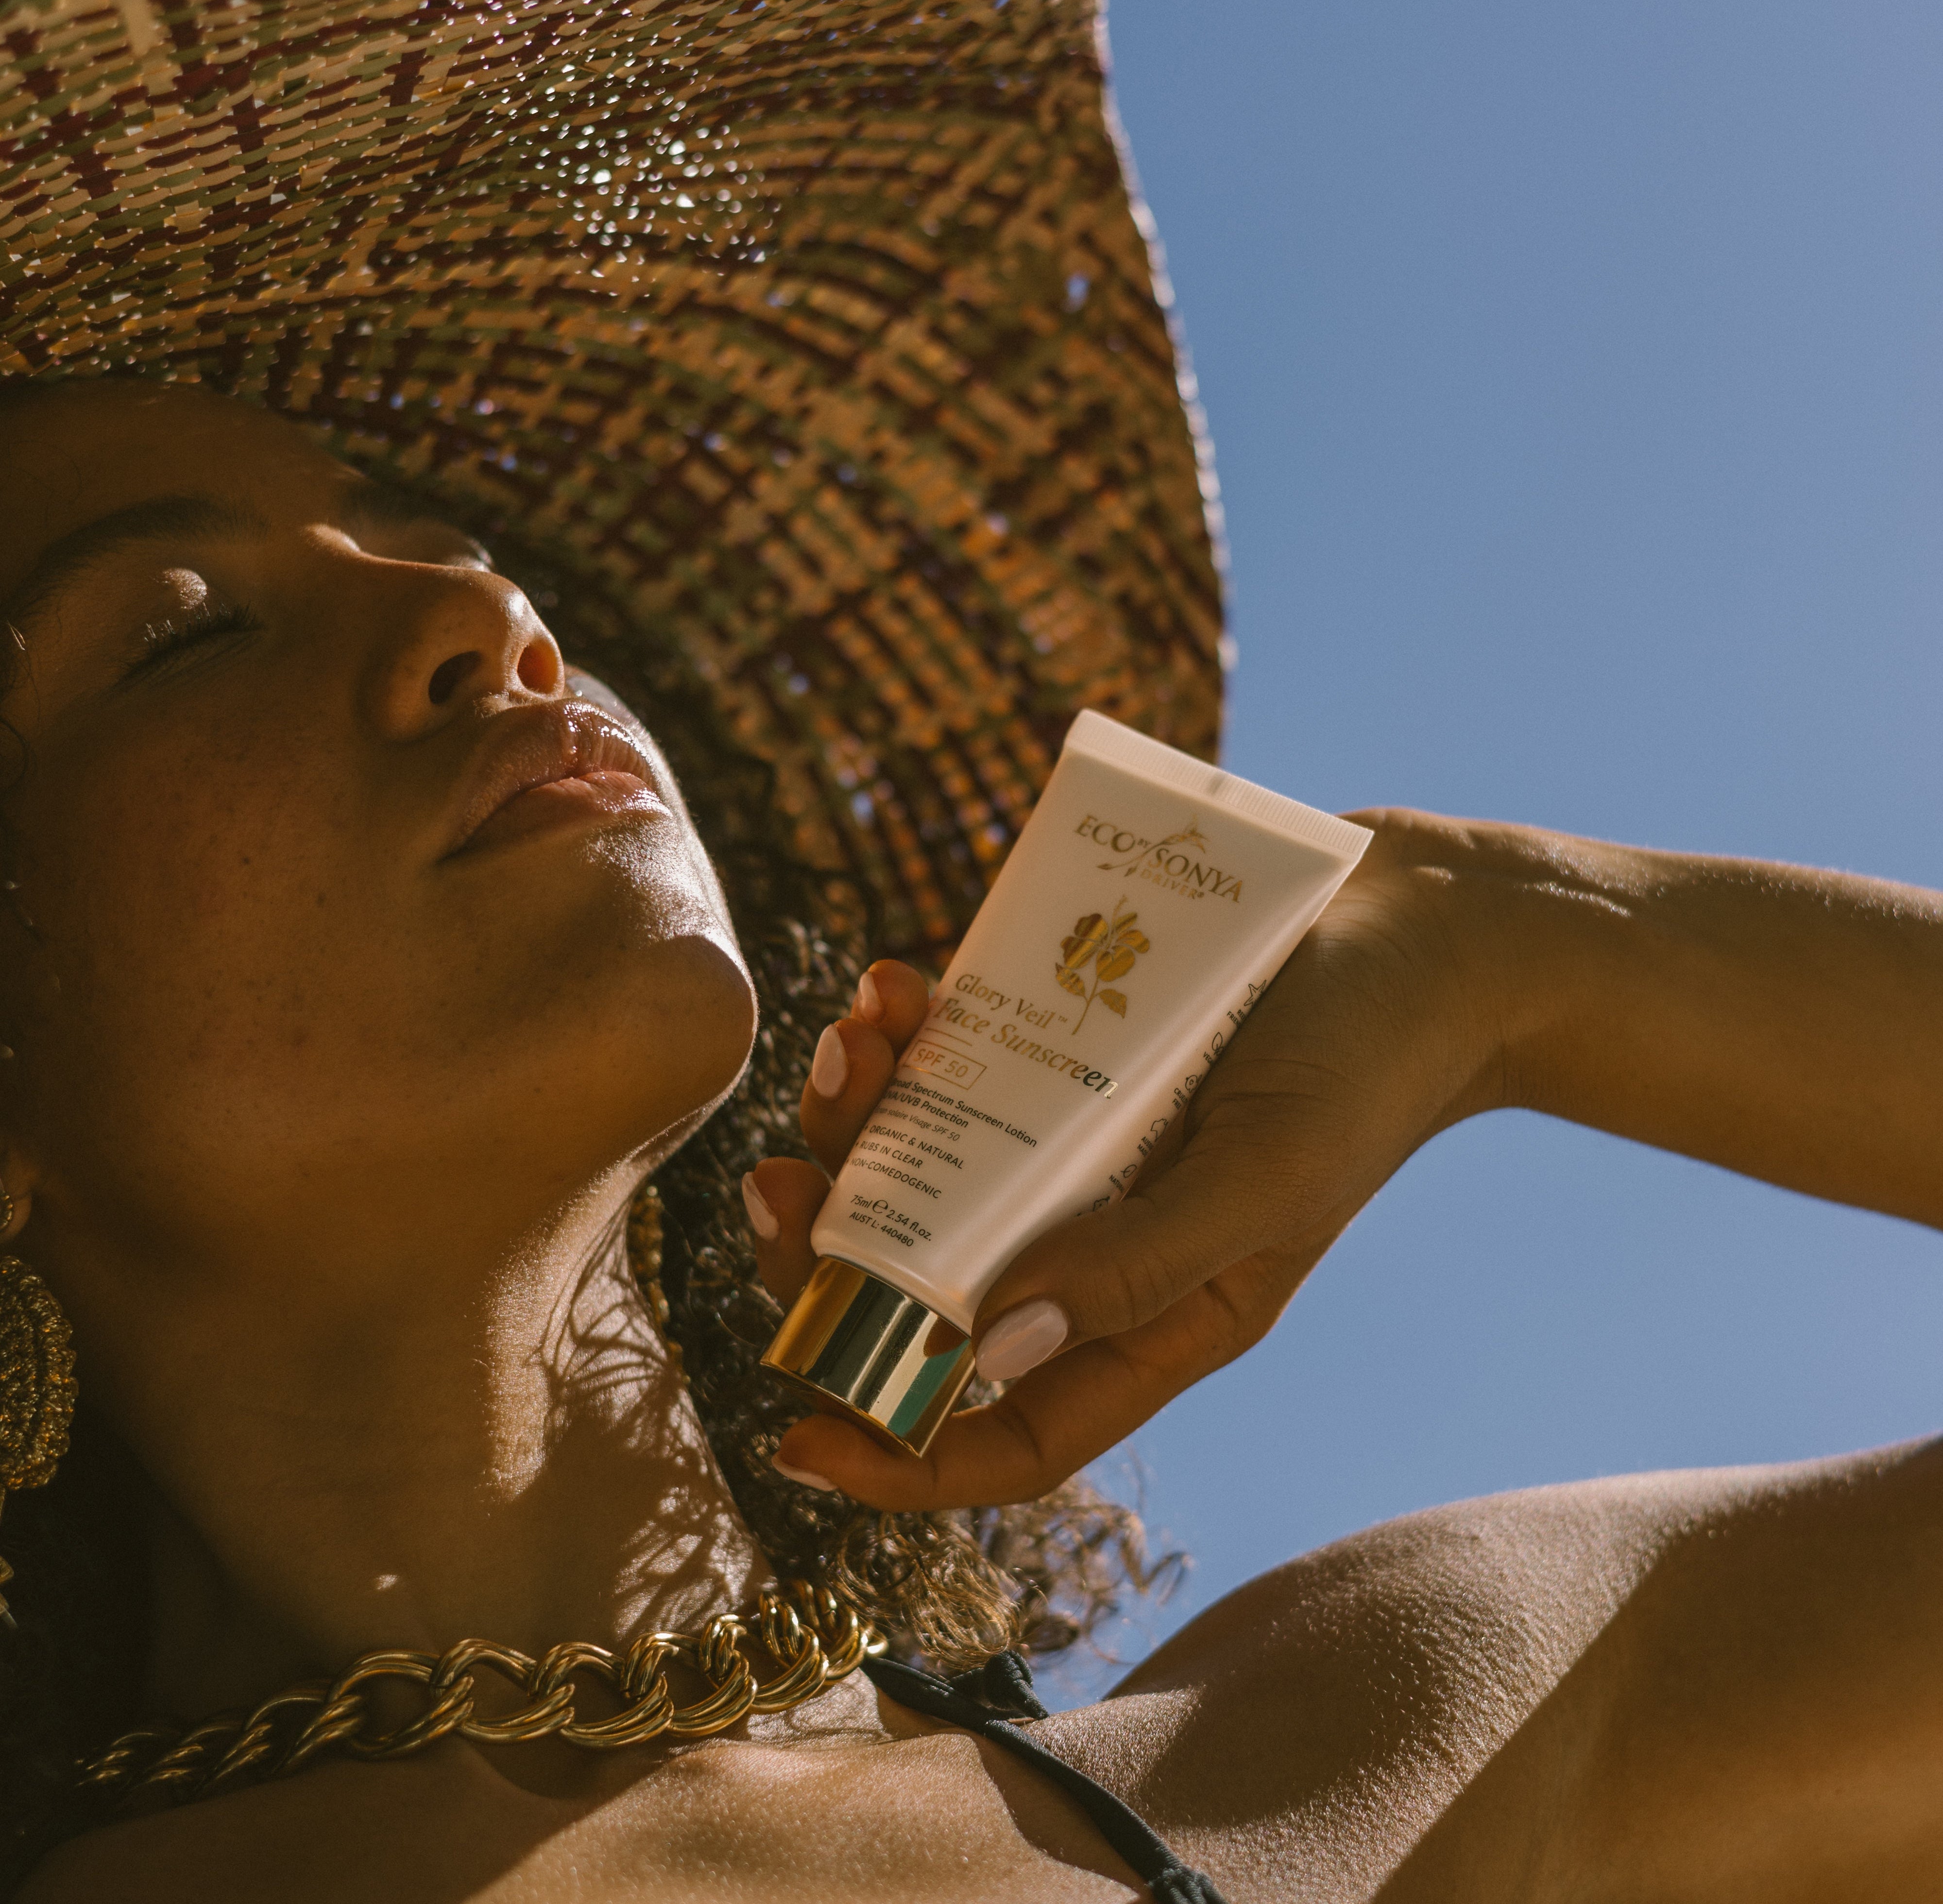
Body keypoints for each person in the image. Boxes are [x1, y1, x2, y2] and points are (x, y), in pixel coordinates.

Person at [1, 375, 1939, 1904]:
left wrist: (1510, 947)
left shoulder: (1363, 1758)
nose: (487, 616)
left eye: (462, 550)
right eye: (178, 632)